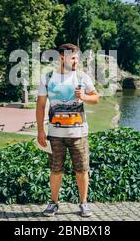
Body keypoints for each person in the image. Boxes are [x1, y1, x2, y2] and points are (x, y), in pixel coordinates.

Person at [36, 43, 100, 217]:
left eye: (77, 58)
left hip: (79, 134)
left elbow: (96, 98)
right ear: (61, 58)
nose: (76, 61)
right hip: (55, 135)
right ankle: (53, 203)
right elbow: (41, 106)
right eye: (73, 58)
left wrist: (84, 97)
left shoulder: (82, 77)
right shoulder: (48, 78)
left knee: (82, 170)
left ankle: (83, 203)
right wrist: (40, 131)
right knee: (56, 170)